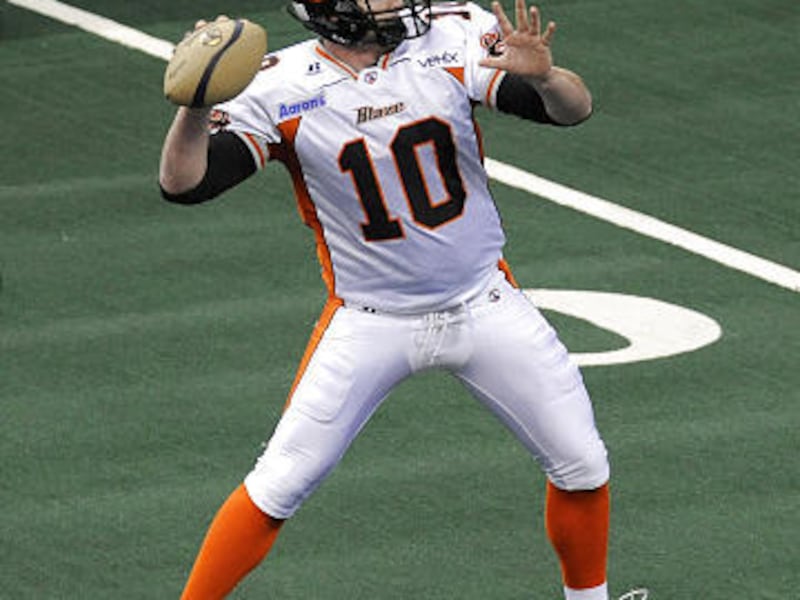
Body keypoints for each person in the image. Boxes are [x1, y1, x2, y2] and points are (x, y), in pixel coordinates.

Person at [159, 1, 631, 599]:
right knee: (278, 485)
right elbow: (184, 184)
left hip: (483, 301)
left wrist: (545, 77)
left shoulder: (454, 35)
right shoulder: (277, 84)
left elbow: (572, 111)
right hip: (369, 321)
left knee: (583, 465)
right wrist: (196, 109)